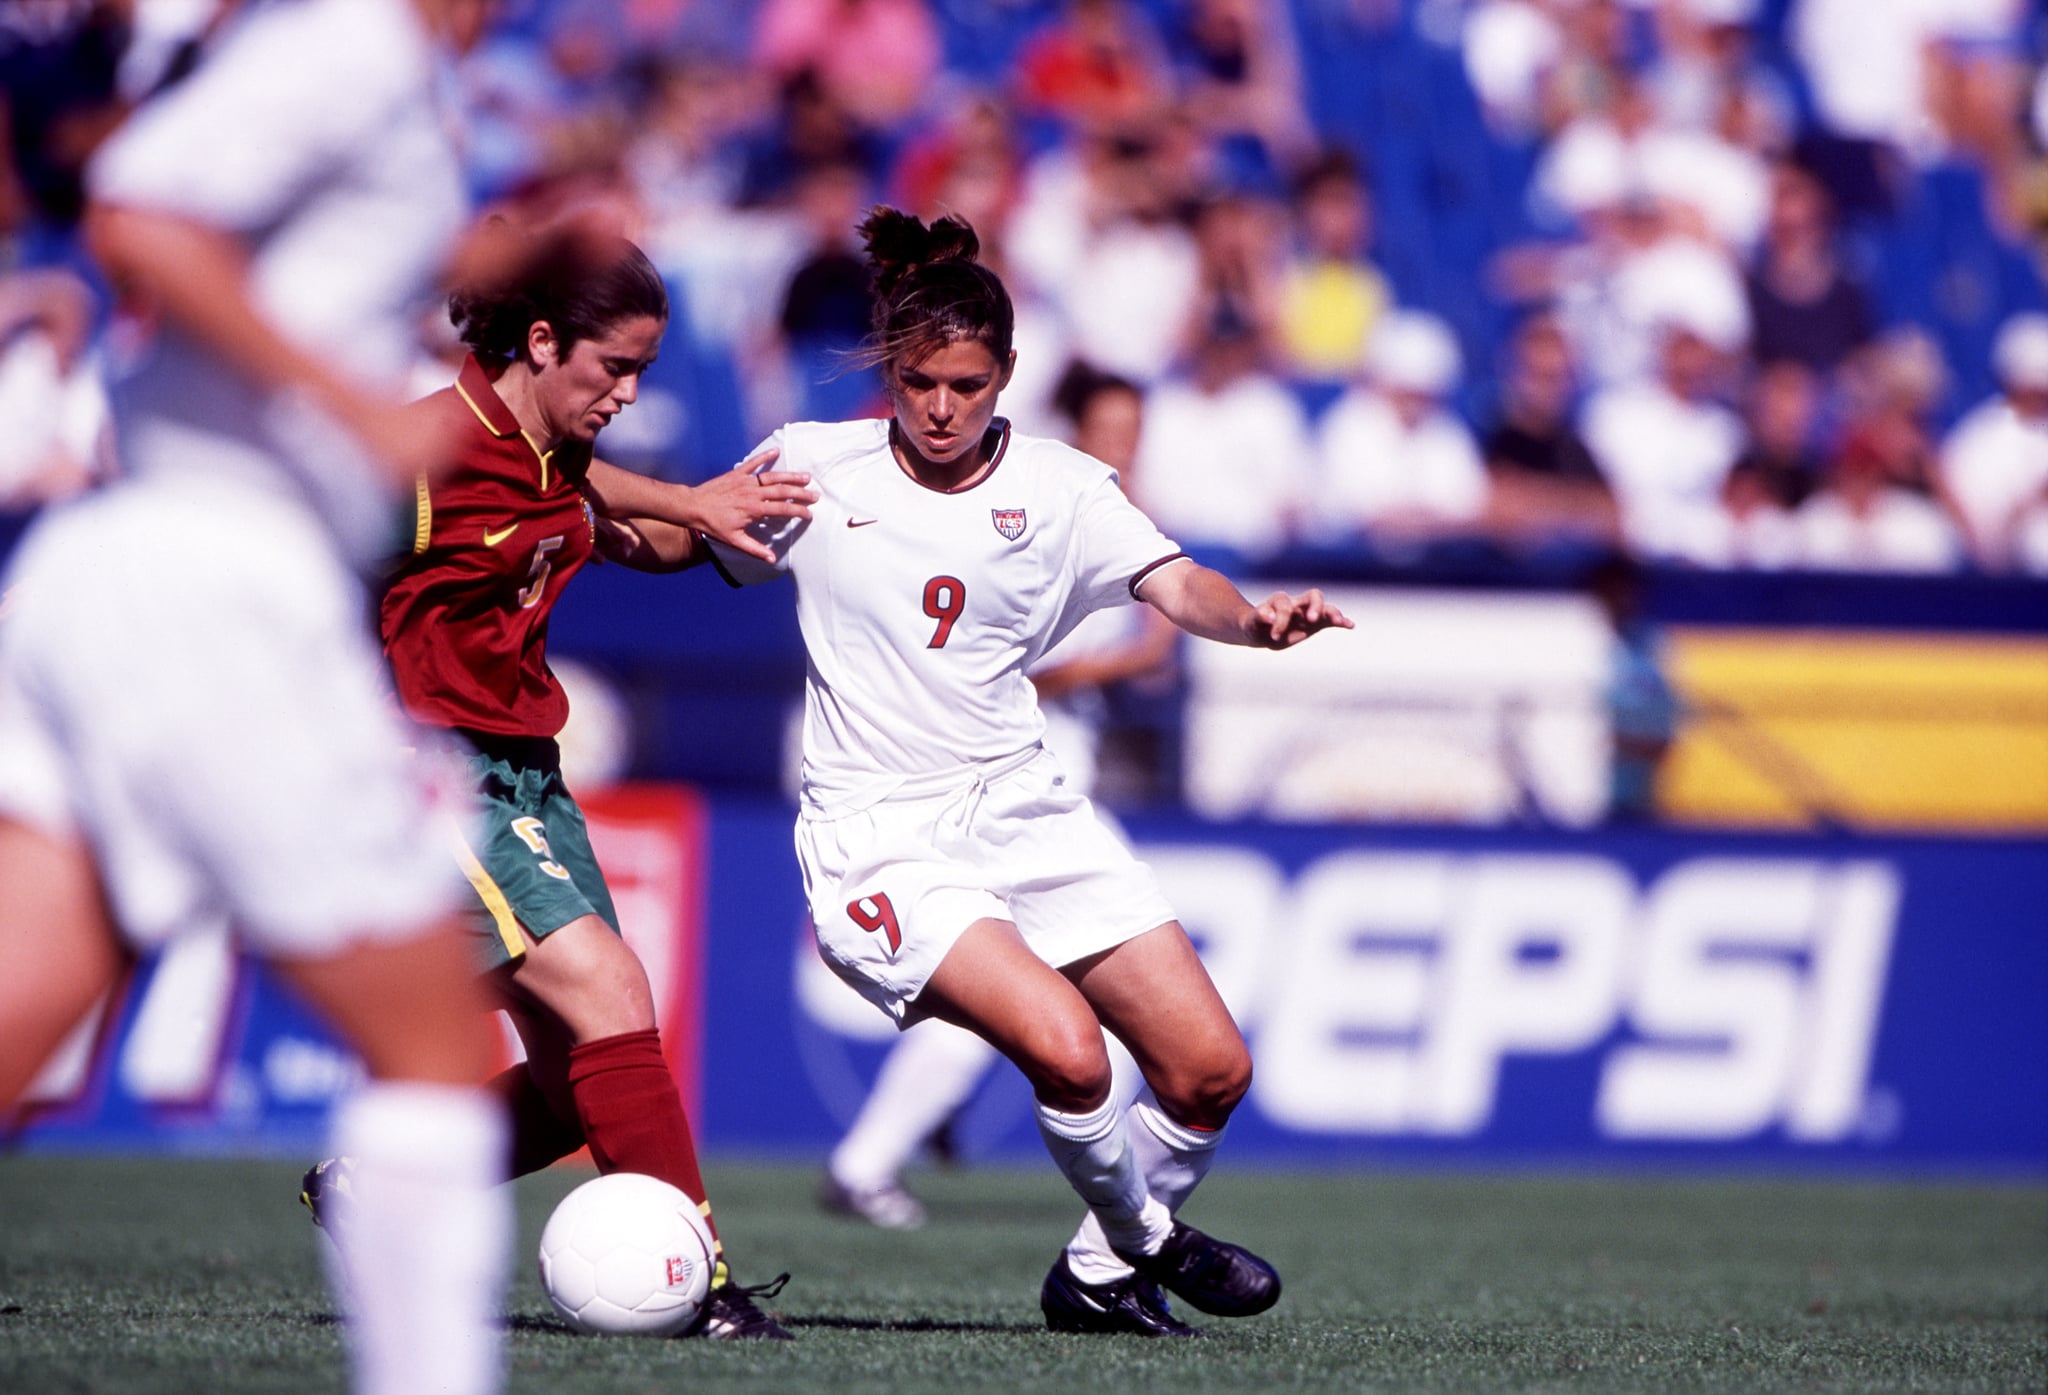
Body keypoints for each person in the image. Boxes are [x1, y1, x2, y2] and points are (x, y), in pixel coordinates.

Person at [628, 207, 1352, 1335]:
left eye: (965, 384)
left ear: (1007, 374)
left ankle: (1098, 1279)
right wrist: (596, 499)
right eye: (918, 381)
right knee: (1070, 1054)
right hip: (881, 835)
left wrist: (1256, 623)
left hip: (1020, 806)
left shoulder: (1066, 489)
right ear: (889, 368)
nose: (939, 407)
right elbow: (680, 541)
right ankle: (1149, 1240)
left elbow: (1175, 584)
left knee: (1208, 1072)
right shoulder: (817, 462)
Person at [0, 3, 510, 1395]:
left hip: (119, 560)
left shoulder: (379, 59)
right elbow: (143, 209)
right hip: (224, 582)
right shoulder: (358, 36)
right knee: (432, 1048)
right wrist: (363, 412)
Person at [304, 222, 817, 1340]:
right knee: (609, 993)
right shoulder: (429, 456)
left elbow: (640, 537)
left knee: (569, 1077)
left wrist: (741, 516)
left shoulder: (551, 459)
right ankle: (704, 1282)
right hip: (426, 775)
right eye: (615, 367)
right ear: (541, 341)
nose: (632, 392)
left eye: (642, 368)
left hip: (526, 777)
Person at [815, 362, 1175, 1231]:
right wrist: (1112, 662)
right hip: (984, 790)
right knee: (989, 1001)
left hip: (1062, 792)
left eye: (1134, 428)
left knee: (1095, 1013)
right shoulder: (1028, 512)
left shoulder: (1116, 516)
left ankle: (1120, 1219)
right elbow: (990, 669)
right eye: (1110, 426)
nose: (1122, 444)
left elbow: (1155, 635)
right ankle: (868, 1162)